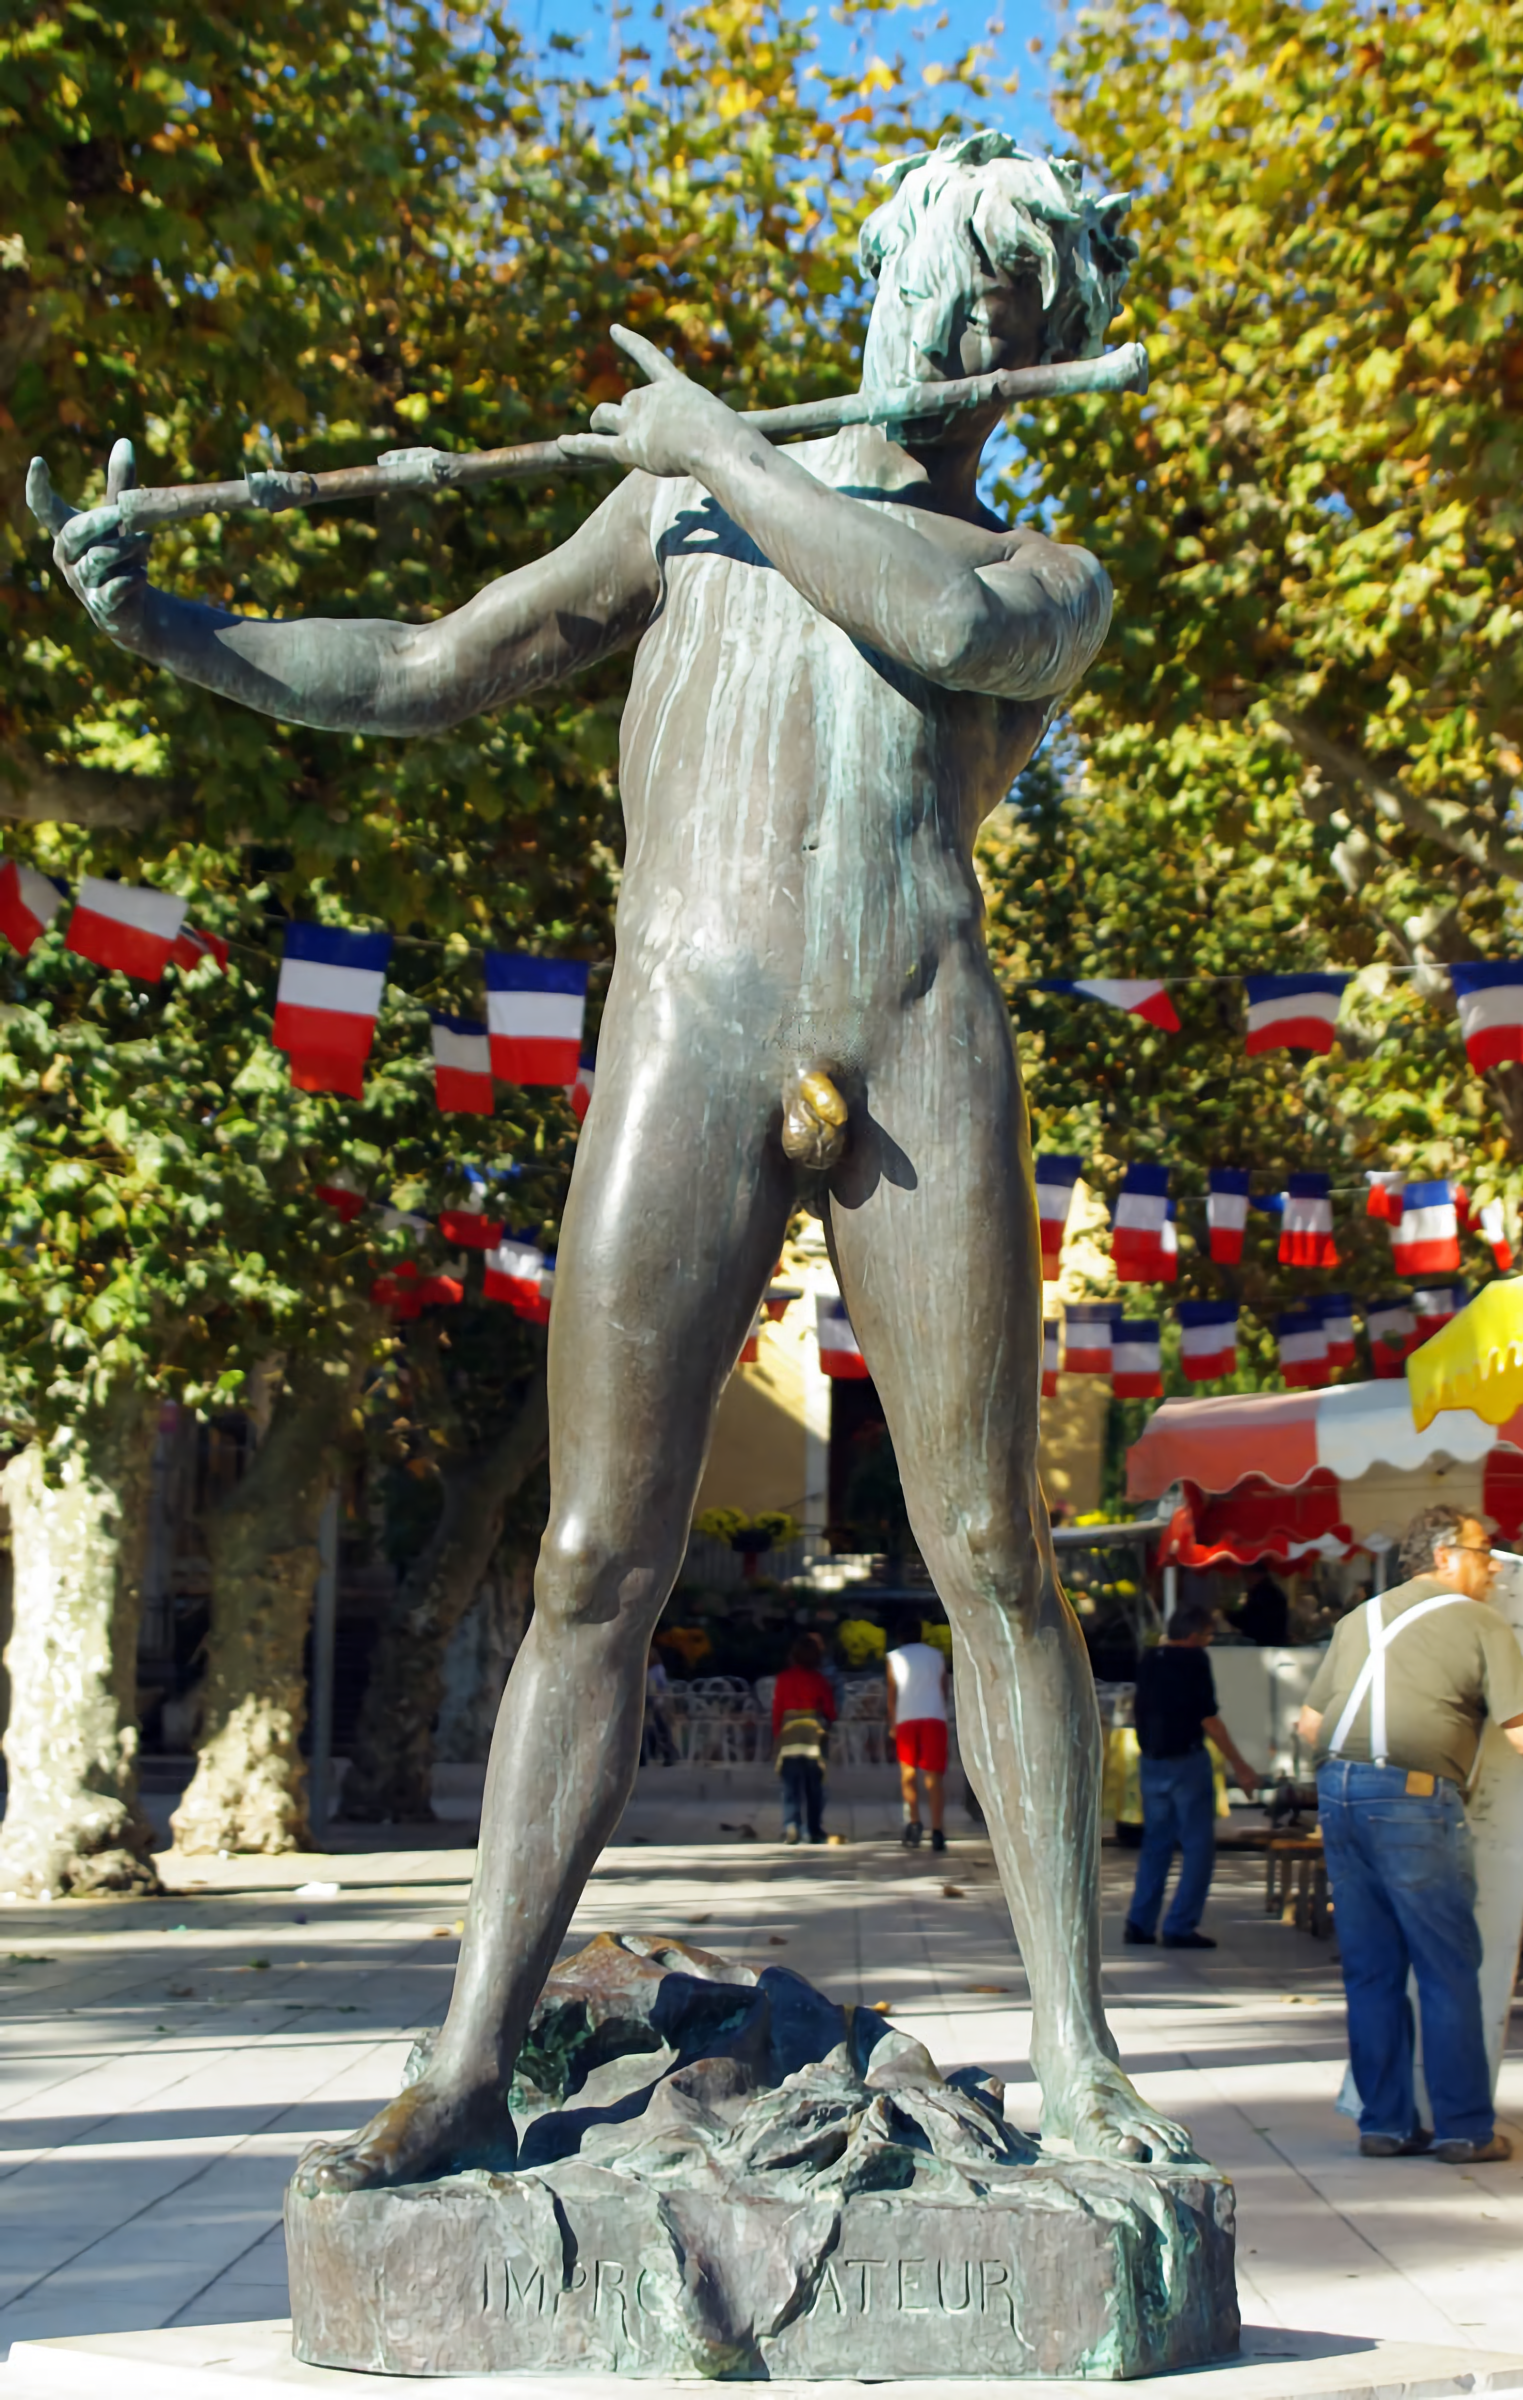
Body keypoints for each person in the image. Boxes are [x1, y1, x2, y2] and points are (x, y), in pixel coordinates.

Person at [40, 130, 1190, 2180]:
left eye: (1013, 324)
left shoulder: (1037, 573)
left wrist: (719, 443)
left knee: (991, 1550)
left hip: (918, 1037)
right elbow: (427, 666)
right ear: (883, 275)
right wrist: (181, 634)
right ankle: (468, 2055)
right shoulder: (673, 512)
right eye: (948, 290)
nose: (965, 342)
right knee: (587, 1556)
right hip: (690, 1025)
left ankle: (1080, 2055)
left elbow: (930, 616)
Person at [1296, 1506, 1523, 2165]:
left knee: (1372, 1971)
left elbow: (1309, 1726)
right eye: (1484, 1550)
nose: (1495, 1566)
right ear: (1445, 1556)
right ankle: (1464, 2130)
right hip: (1413, 1799)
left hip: (1337, 1791)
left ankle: (1384, 2125)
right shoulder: (1478, 1621)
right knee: (1446, 1969)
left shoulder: (1360, 1618)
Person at [1125, 1605, 1260, 1951]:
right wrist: (1240, 1765)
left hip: (1152, 1761)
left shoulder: (1150, 1659)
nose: (1209, 1641)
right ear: (1194, 1635)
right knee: (1198, 1846)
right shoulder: (1194, 1661)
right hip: (1186, 1761)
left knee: (1156, 1844)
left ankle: (1139, 1922)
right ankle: (1180, 1924)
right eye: (1208, 1635)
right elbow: (1209, 1719)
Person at [886, 1612, 951, 1852]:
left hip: (907, 1716)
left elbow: (892, 1693)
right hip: (933, 1716)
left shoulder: (893, 1657)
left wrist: (892, 1722)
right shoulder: (936, 1656)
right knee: (934, 1778)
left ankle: (914, 1824)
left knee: (908, 1774)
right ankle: (937, 1830)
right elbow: (944, 1688)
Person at [771, 1633, 836, 1844]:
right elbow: (830, 1711)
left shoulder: (783, 1679)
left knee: (790, 1785)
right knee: (814, 1787)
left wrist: (777, 1736)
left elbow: (777, 1711)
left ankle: (792, 1825)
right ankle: (814, 1829)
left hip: (789, 1737)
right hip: (812, 1739)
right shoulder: (819, 1680)